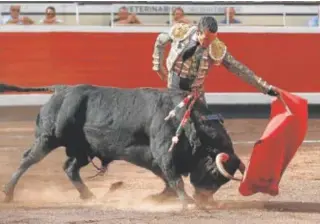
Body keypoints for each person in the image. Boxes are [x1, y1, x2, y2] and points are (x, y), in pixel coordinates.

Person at [152, 16, 278, 103]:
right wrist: (158, 66)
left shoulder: (216, 47)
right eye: (206, 39)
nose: (209, 43)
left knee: (204, 126)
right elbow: (160, 41)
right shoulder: (181, 32)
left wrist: (265, 88)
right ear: (199, 32)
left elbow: (239, 69)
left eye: (212, 39)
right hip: (174, 83)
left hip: (196, 89)